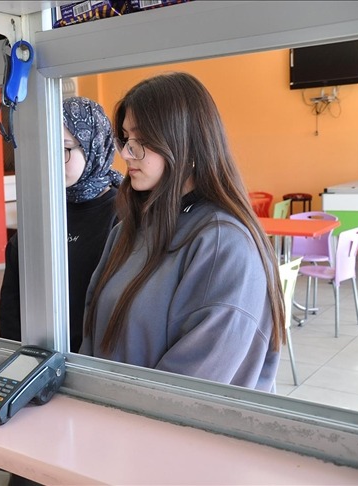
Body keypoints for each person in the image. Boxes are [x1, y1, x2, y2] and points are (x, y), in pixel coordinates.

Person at [79, 72, 285, 392]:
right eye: (125, 138)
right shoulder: (128, 230)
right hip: (111, 423)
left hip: (166, 433)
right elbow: (93, 336)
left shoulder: (224, 245)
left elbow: (189, 389)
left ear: (185, 143)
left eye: (142, 140)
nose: (128, 153)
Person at [0, 97, 121, 351]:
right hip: (37, 359)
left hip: (95, 364)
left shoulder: (124, 215)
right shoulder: (42, 208)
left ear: (93, 145)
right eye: (45, 148)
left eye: (64, 149)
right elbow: (13, 299)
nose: (52, 160)